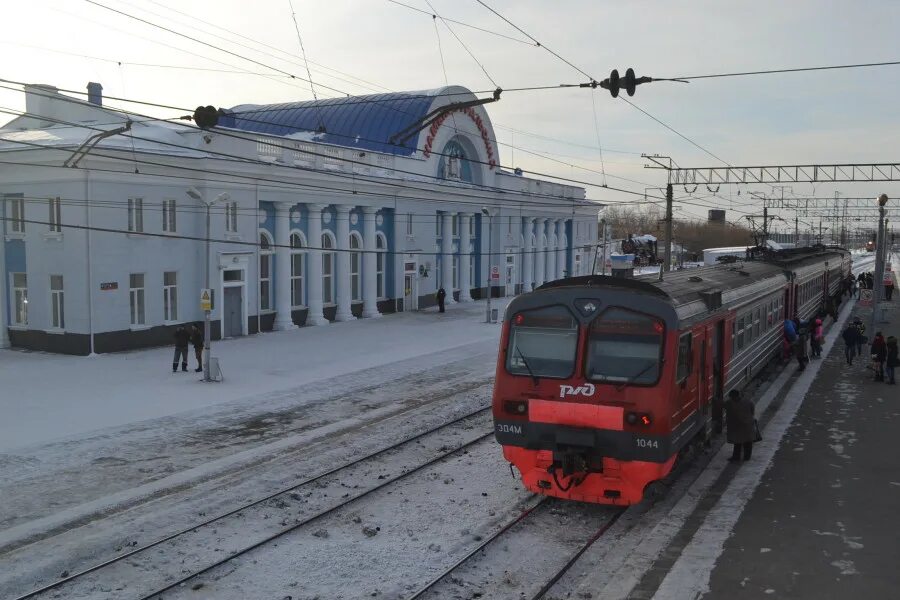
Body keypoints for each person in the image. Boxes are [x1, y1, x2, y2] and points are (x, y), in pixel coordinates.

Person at [725, 389, 755, 462]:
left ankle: (736, 457)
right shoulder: (748, 401)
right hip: (748, 424)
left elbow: (724, 406)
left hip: (738, 425)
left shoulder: (730, 403)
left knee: (738, 442)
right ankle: (747, 457)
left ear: (732, 397)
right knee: (747, 441)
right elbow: (752, 411)